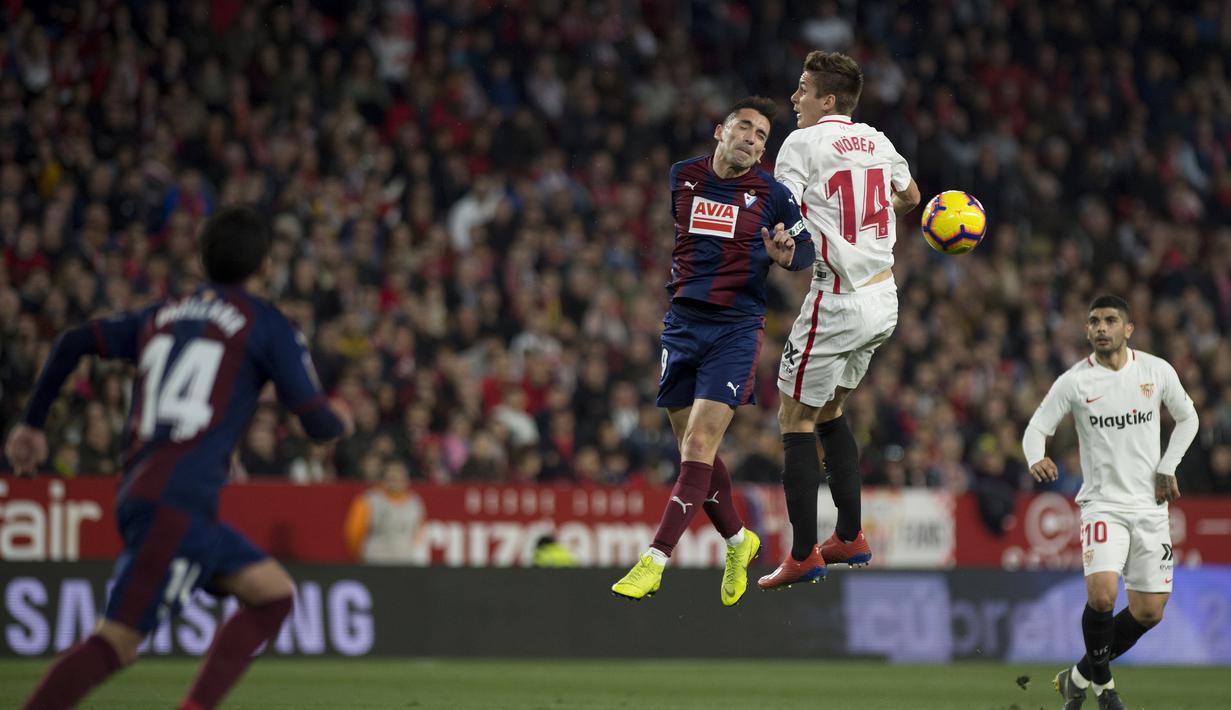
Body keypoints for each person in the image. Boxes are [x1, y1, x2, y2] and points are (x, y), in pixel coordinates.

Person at [5, 206, 353, 710]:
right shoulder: (267, 324)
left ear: (202, 259)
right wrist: (342, 416)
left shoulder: (161, 314)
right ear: (265, 267)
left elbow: (73, 341)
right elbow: (317, 426)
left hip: (153, 492)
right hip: (179, 503)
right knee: (115, 645)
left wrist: (33, 423)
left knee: (272, 594)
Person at [610, 96, 815, 606]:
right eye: (744, 128)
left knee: (699, 447)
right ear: (719, 132)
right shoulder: (683, 176)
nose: (752, 139)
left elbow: (806, 249)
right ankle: (738, 540)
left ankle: (655, 559)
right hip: (681, 325)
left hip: (734, 330)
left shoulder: (773, 194)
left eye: (762, 136)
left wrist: (788, 258)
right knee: (693, 452)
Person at [760, 51, 921, 589]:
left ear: (827, 99)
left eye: (803, 89)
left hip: (839, 299)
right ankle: (849, 533)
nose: (794, 98)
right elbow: (911, 196)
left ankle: (803, 553)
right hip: (884, 297)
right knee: (830, 408)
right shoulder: (877, 139)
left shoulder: (801, 144)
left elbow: (781, 212)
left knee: (793, 418)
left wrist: (783, 243)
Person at [1023, 295, 1198, 710]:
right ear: (1087, 331)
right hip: (1102, 505)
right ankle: (1105, 690)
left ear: (1128, 329)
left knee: (1149, 612)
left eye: (1110, 320)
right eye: (1094, 321)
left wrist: (1168, 466)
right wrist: (1036, 457)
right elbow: (1036, 427)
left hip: (1150, 507)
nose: (1101, 328)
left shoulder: (1155, 371)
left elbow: (1189, 418)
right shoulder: (1075, 382)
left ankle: (1079, 676)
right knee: (1102, 596)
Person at [343, 458, 427, 564]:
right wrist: (361, 558)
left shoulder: (415, 503)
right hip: (376, 561)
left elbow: (418, 535)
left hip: (405, 563)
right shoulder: (368, 501)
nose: (396, 480)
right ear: (384, 479)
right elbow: (354, 534)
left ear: (406, 479)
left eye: (399, 477)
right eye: (392, 477)